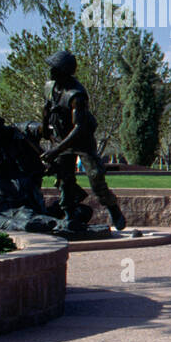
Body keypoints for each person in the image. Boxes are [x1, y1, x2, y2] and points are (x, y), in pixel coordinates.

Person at [42, 50, 127, 231]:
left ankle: (112, 207)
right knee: (65, 179)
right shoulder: (50, 87)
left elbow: (79, 128)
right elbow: (47, 110)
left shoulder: (76, 95)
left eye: (54, 68)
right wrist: (48, 134)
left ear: (64, 71)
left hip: (81, 142)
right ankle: (70, 216)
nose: (50, 71)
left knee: (96, 178)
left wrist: (55, 151)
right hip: (60, 140)